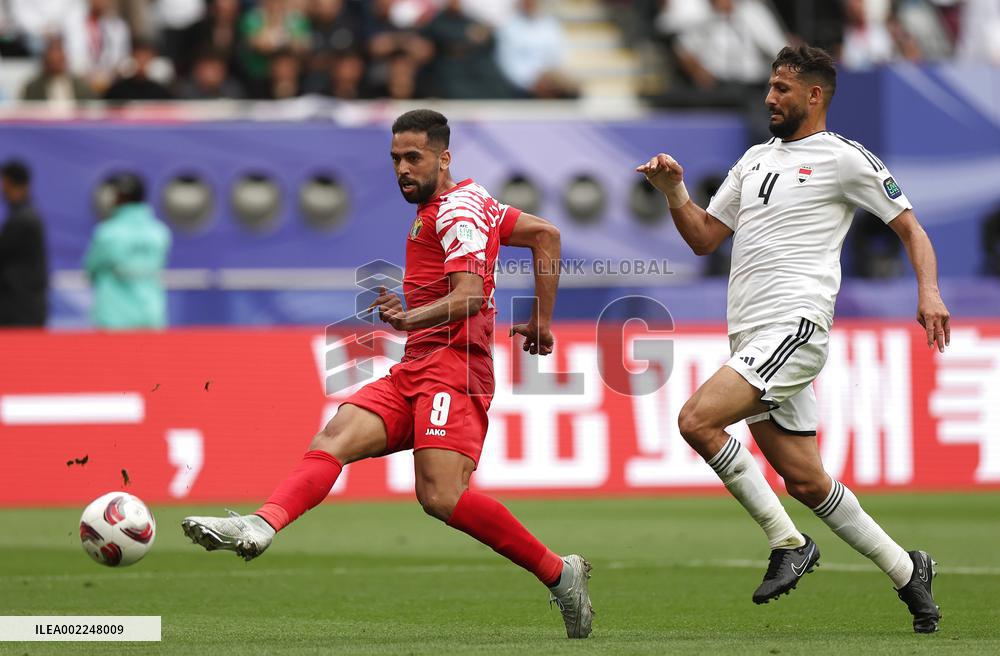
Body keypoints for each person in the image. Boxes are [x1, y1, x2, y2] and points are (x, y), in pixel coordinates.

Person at [181, 109, 594, 639]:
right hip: (416, 365)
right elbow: (547, 235)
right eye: (396, 158)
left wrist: (409, 315)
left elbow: (468, 297)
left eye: (413, 158)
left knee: (441, 497)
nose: (402, 168)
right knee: (336, 433)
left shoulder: (458, 212)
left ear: (444, 158)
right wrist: (540, 317)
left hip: (455, 371)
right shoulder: (466, 202)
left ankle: (561, 574)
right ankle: (260, 524)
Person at [636, 45, 948, 633]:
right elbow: (705, 238)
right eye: (769, 86)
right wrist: (674, 191)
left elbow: (911, 228)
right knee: (805, 480)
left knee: (696, 420)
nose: (769, 97)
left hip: (794, 325)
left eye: (781, 88)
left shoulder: (845, 159)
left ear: (814, 95)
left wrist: (928, 292)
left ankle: (788, 543)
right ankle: (909, 571)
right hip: (751, 331)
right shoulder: (754, 158)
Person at [83, 173, 171, 330]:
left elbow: (91, 270)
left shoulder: (107, 233)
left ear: (119, 198)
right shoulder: (160, 232)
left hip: (113, 319)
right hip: (150, 314)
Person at [0, 160, 48, 327]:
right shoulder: (24, 215)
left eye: (4, 183)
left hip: (20, 311)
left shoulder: (23, 220)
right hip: (24, 307)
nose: (2, 190)